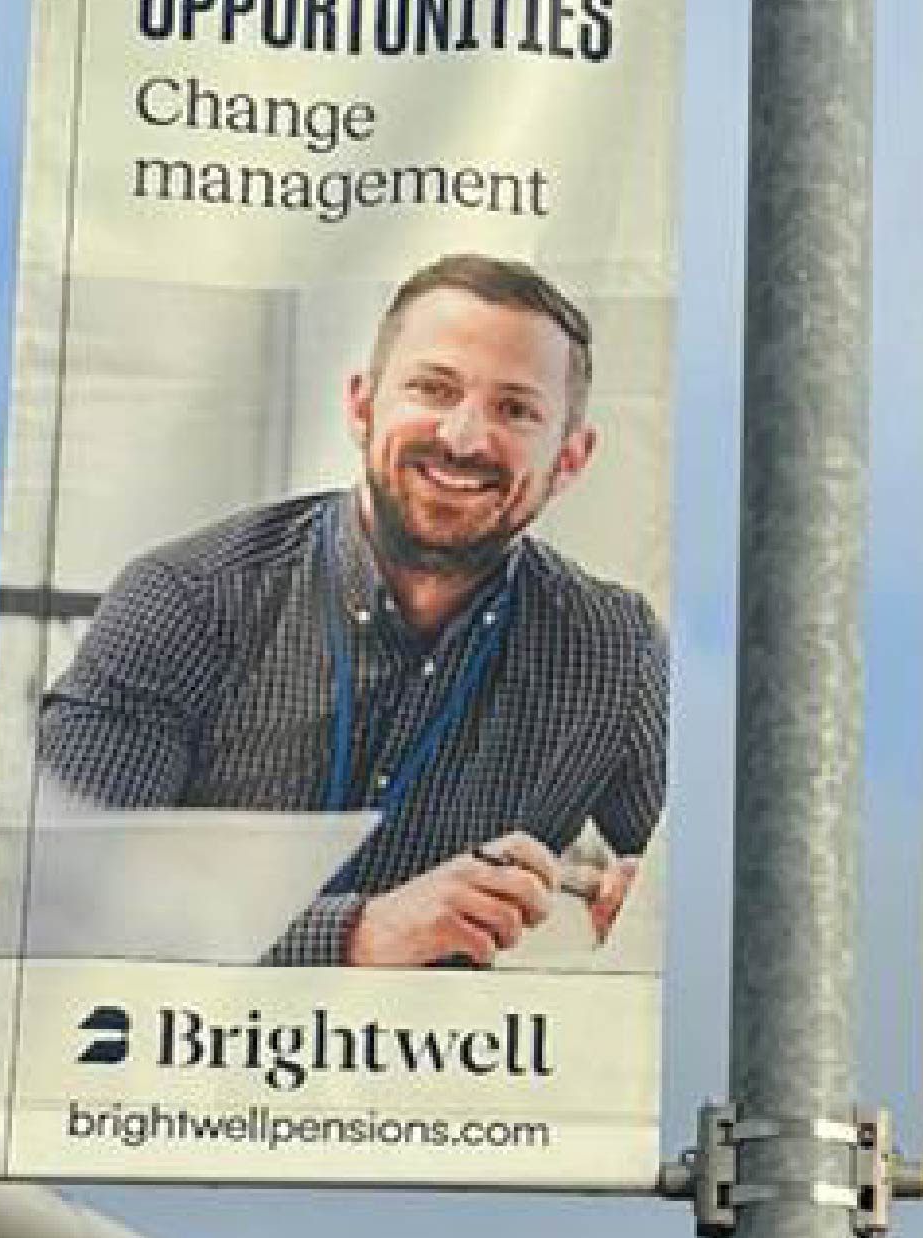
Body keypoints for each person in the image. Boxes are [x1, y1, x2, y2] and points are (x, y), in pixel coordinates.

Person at [33, 252, 664, 966]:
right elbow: (62, 911)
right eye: (433, 388)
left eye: (515, 409)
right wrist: (355, 934)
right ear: (361, 407)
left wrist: (657, 911)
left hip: (458, 1068)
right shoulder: (185, 599)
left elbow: (720, 881)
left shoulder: (619, 646)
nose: (463, 438)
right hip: (191, 1064)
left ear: (571, 459)